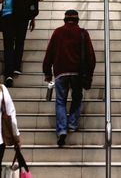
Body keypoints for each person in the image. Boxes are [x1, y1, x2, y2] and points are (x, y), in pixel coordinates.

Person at [42, 10, 96, 147]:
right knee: (77, 98)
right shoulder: (83, 33)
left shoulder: (58, 32)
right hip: (78, 72)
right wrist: (89, 76)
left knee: (60, 101)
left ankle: (61, 130)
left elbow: (49, 53)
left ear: (64, 20)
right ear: (77, 20)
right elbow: (91, 56)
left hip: (61, 71)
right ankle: (72, 123)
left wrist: (47, 72)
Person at [0, 0, 35, 87]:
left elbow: (0, 0)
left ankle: (8, 74)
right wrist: (32, 19)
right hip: (22, 17)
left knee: (8, 45)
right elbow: (31, 1)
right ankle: (16, 67)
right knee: (19, 42)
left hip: (7, 16)